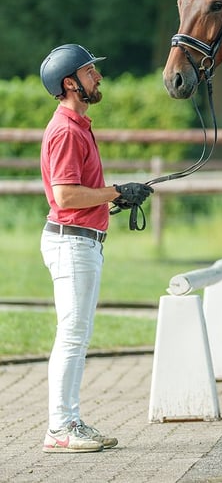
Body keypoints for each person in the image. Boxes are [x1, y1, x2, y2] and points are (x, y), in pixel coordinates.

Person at [38, 44, 153, 453]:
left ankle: (67, 423)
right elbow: (66, 197)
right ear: (70, 83)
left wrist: (115, 197)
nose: (98, 78)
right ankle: (61, 428)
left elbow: (78, 191)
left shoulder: (79, 125)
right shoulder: (68, 130)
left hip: (82, 242)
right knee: (72, 337)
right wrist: (116, 190)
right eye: (90, 73)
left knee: (76, 336)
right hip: (73, 245)